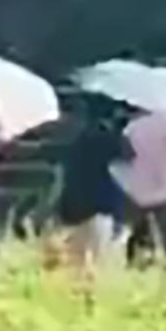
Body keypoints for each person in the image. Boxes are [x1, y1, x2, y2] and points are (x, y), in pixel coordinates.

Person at [114, 109, 166, 264]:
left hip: (138, 189)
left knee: (139, 228)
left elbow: (124, 154)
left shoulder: (133, 128)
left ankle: (139, 257)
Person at [48, 108, 125, 269]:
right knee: (94, 257)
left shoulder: (75, 140)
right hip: (101, 203)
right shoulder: (112, 140)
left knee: (75, 257)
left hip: (74, 203)